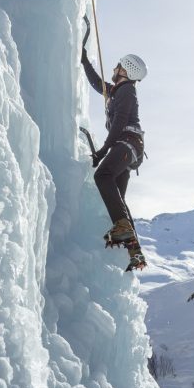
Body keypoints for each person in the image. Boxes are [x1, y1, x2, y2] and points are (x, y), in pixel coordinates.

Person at [80, 16, 147, 245]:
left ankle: (124, 231)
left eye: (118, 65)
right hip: (129, 149)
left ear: (125, 70)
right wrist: (84, 62)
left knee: (103, 175)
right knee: (118, 196)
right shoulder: (120, 90)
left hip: (126, 144)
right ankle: (132, 246)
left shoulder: (127, 90)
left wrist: (102, 151)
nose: (114, 67)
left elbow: (118, 124)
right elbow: (99, 85)